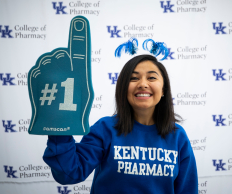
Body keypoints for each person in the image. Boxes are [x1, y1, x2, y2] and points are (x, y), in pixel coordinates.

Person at [43, 54, 198, 194]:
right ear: (123, 88)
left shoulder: (178, 135)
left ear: (163, 89)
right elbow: (70, 173)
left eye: (151, 78)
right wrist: (59, 125)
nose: (143, 84)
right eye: (133, 78)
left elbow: (187, 190)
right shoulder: (105, 128)